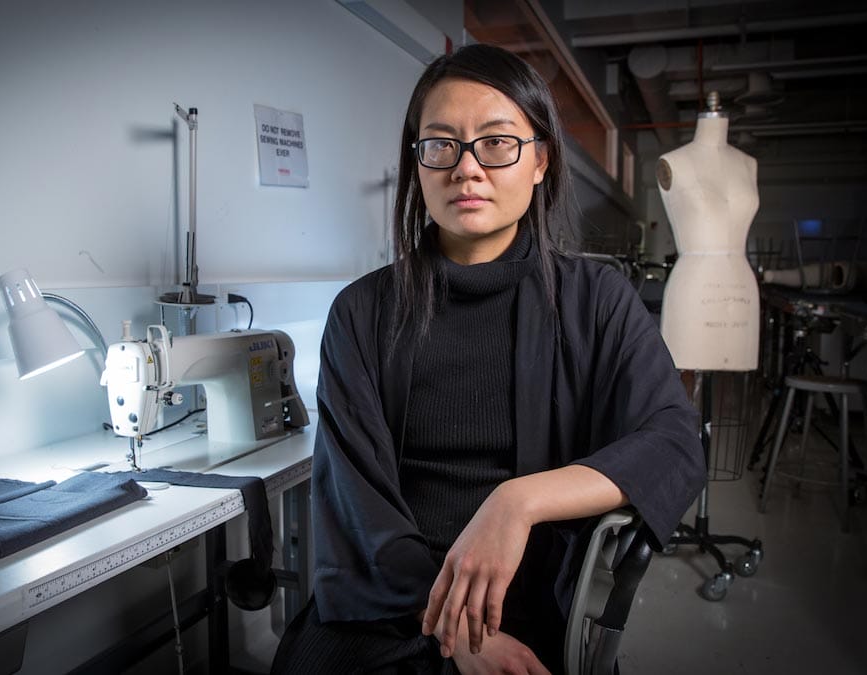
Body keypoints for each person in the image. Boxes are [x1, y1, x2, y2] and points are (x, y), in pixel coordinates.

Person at [272, 44, 705, 674]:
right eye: (441, 145)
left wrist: (516, 502)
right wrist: (457, 635)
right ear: (416, 162)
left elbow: (672, 439)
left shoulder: (596, 300)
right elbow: (357, 513)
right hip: (390, 603)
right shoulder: (361, 314)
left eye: (497, 143)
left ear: (539, 160)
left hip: (529, 599)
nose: (466, 169)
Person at [657, 92, 760, 371]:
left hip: (741, 287)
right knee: (683, 383)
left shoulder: (748, 165)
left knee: (734, 390)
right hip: (695, 286)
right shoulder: (674, 162)